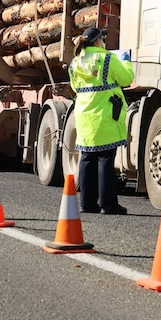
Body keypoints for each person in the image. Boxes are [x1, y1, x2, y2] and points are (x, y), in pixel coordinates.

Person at [68, 27, 134, 215]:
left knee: (87, 157)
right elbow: (126, 78)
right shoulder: (107, 58)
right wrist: (126, 62)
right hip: (105, 114)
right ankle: (108, 204)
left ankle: (87, 204)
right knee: (106, 158)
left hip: (84, 113)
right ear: (98, 41)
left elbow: (75, 86)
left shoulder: (75, 62)